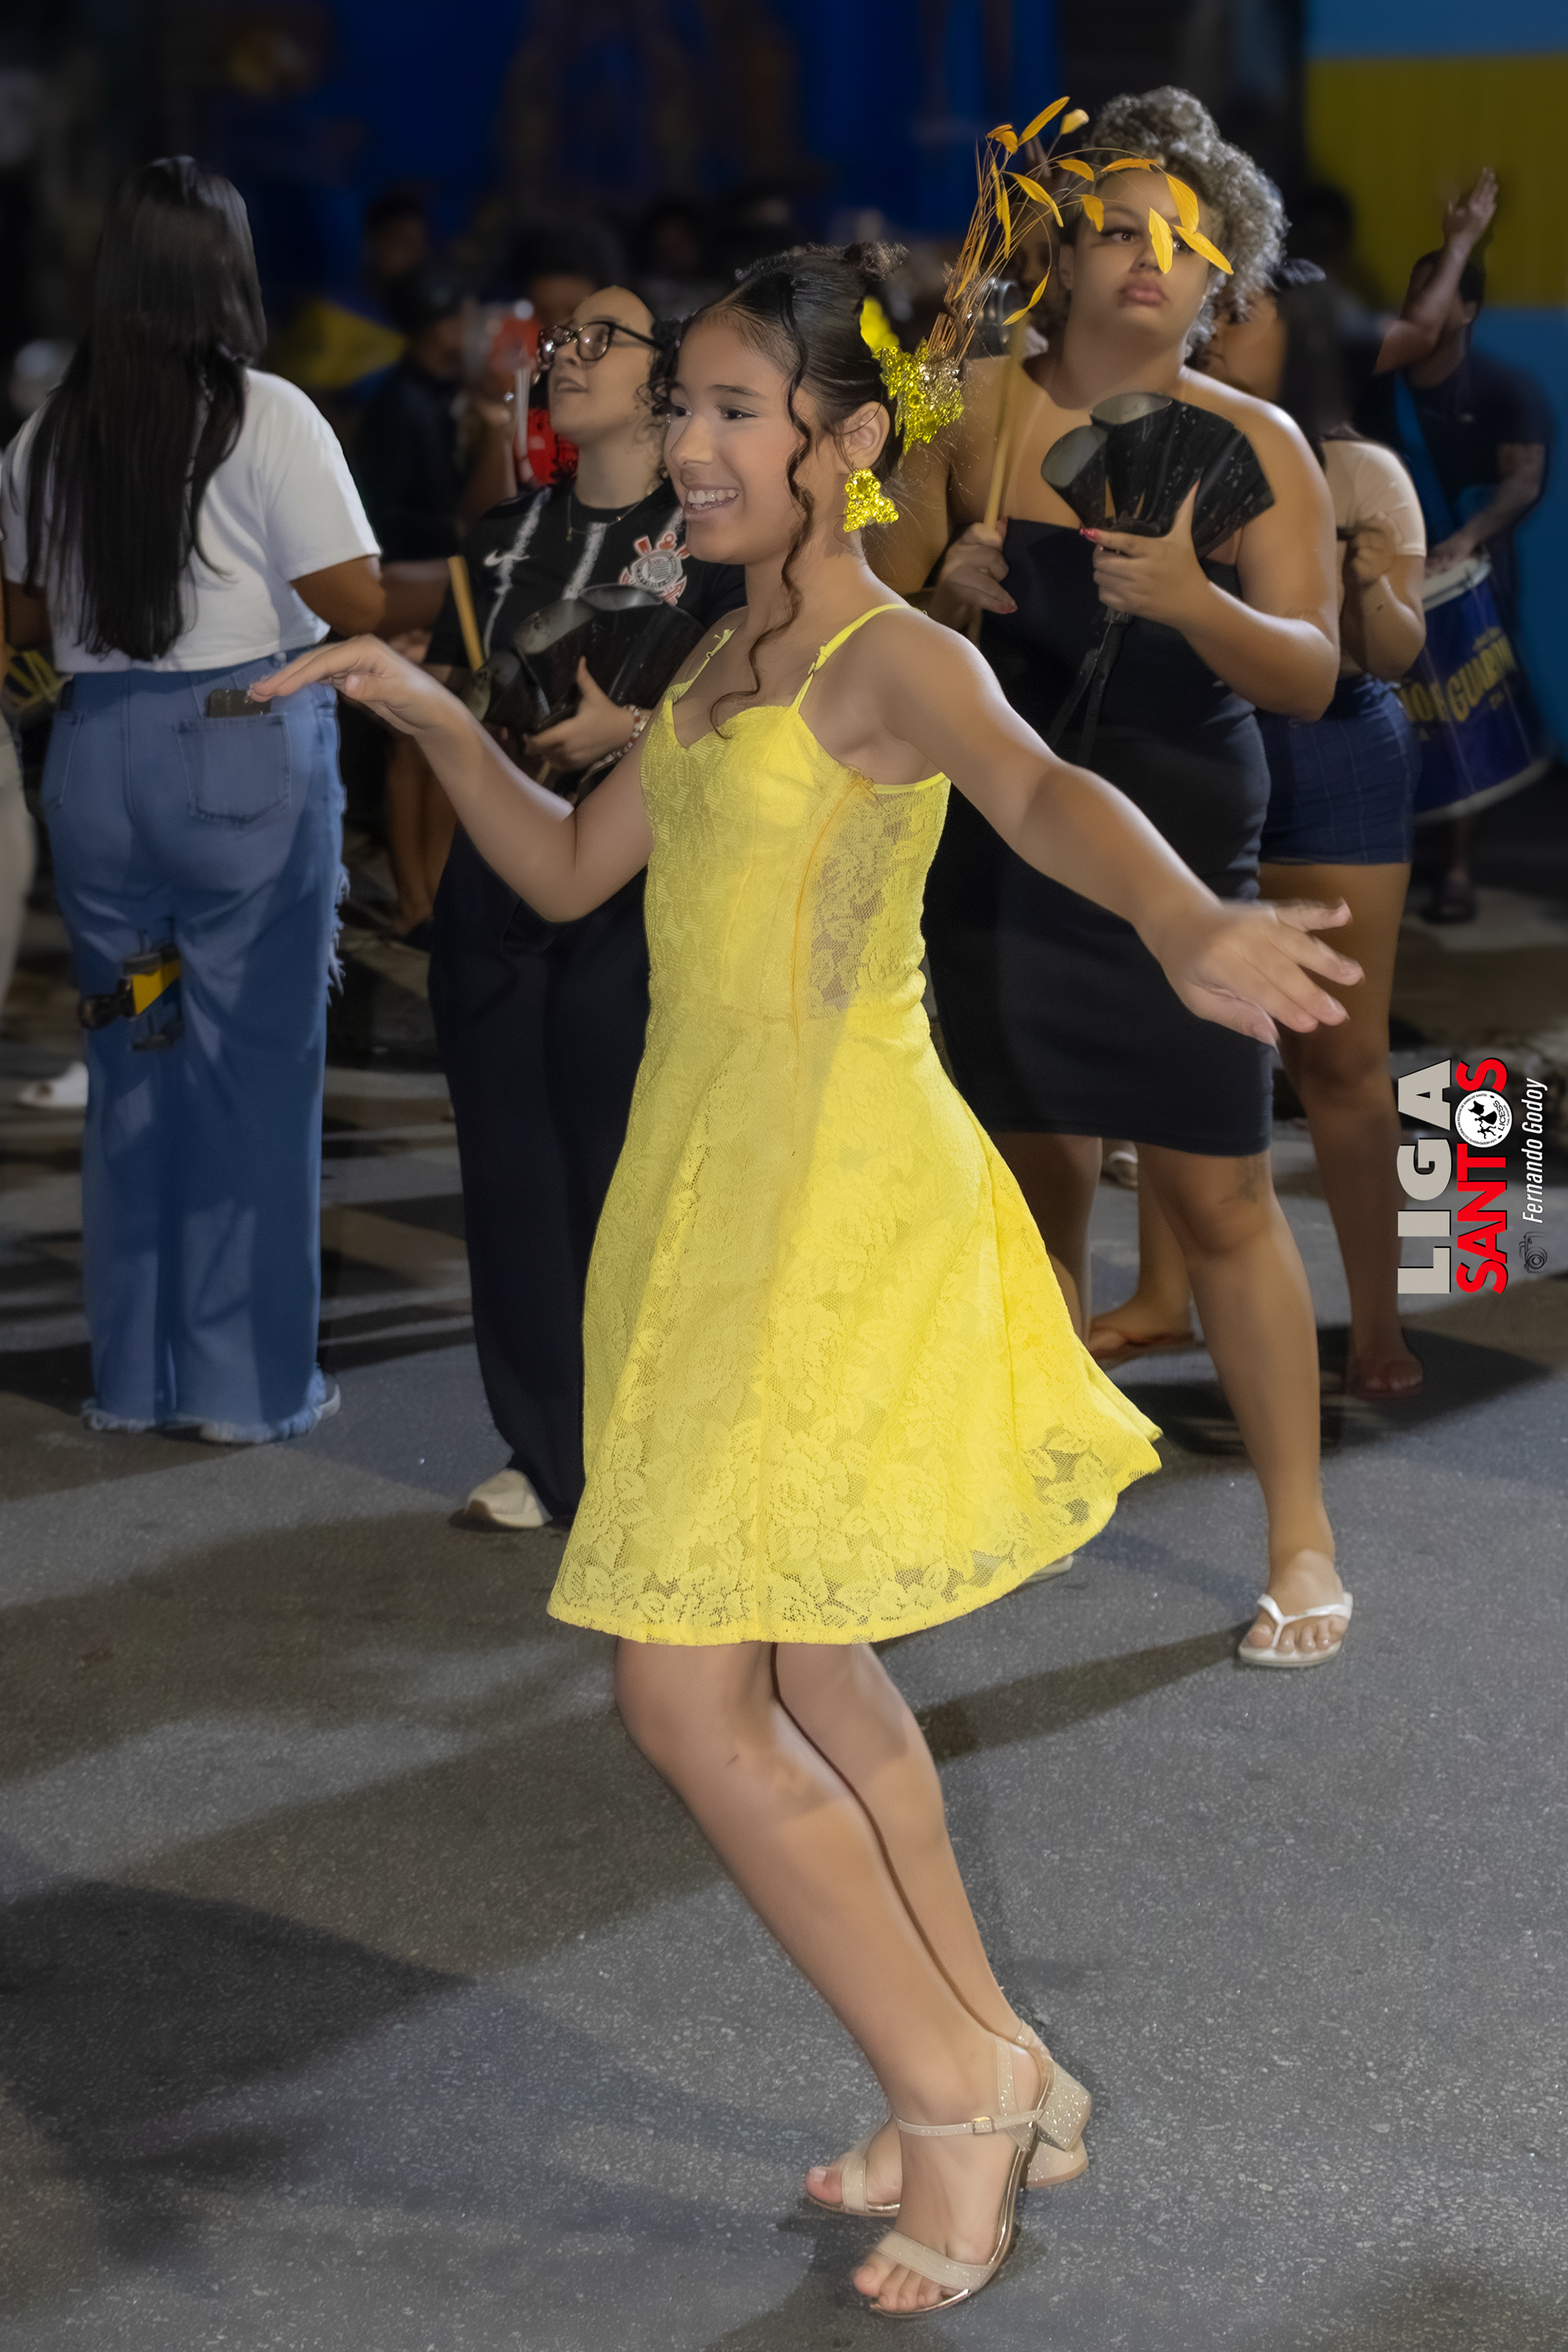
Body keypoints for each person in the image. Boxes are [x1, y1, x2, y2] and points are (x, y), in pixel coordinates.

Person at [263, 239, 1358, 2315]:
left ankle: (950, 2100)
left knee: (685, 1691)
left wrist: (1185, 922)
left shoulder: (879, 652)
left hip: (822, 1207)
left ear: (849, 442)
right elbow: (567, 869)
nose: (688, 444)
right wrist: (426, 708)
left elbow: (1044, 789)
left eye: (732, 412)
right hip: (698, 1203)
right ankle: (1000, 2062)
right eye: (681, 405)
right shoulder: (717, 650)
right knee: (811, 1669)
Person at [871, 87, 1353, 1667]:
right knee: (1029, 1183)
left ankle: (1301, 1536)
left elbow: (1311, 675)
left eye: (1184, 238)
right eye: (1118, 229)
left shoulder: (1258, 445)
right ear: (1061, 256)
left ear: (1225, 274)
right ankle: (1038, 1472)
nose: (1151, 257)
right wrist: (945, 589)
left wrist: (1200, 604)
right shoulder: (969, 416)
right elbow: (867, 630)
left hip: (1191, 858)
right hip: (1005, 851)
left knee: (1220, 1194)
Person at [0, 157, 384, 1442]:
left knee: (135, 1057)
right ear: (228, 271)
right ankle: (242, 1388)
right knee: (252, 1068)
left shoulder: (49, 432)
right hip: (241, 753)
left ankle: (134, 1377)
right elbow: (352, 598)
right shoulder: (268, 417)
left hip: (99, 763)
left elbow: (22, 616)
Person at [418, 283, 744, 1531]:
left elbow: (763, 710)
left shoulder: (714, 538)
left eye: (603, 339)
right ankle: (545, 1450)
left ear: (668, 375)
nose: (567, 354)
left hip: (646, 888)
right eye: (561, 339)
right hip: (500, 880)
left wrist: (637, 729)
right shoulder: (504, 534)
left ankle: (650, 1448)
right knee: (510, 1175)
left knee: (636, 1176)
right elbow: (456, 696)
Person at [1109, 262, 1428, 1399]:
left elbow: (1395, 653)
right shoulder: (1157, 442)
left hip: (1333, 757)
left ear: (1304, 336)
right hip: (1196, 747)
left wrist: (1370, 582)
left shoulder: (1360, 469)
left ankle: (1378, 1322)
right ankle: (1162, 1300)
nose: (1215, 325)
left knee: (1339, 1058)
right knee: (1185, 1040)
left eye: (1241, 311)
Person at [1357, 174, 1552, 922]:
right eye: (1414, 298)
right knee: (1393, 717)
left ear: (1466, 308)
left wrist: (1467, 540)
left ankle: (1460, 866)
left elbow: (1523, 480)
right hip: (1383, 574)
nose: (1421, 310)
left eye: (1436, 295)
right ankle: (1389, 855)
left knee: (1463, 713)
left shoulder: (1503, 389)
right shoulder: (1371, 387)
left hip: (1471, 572)